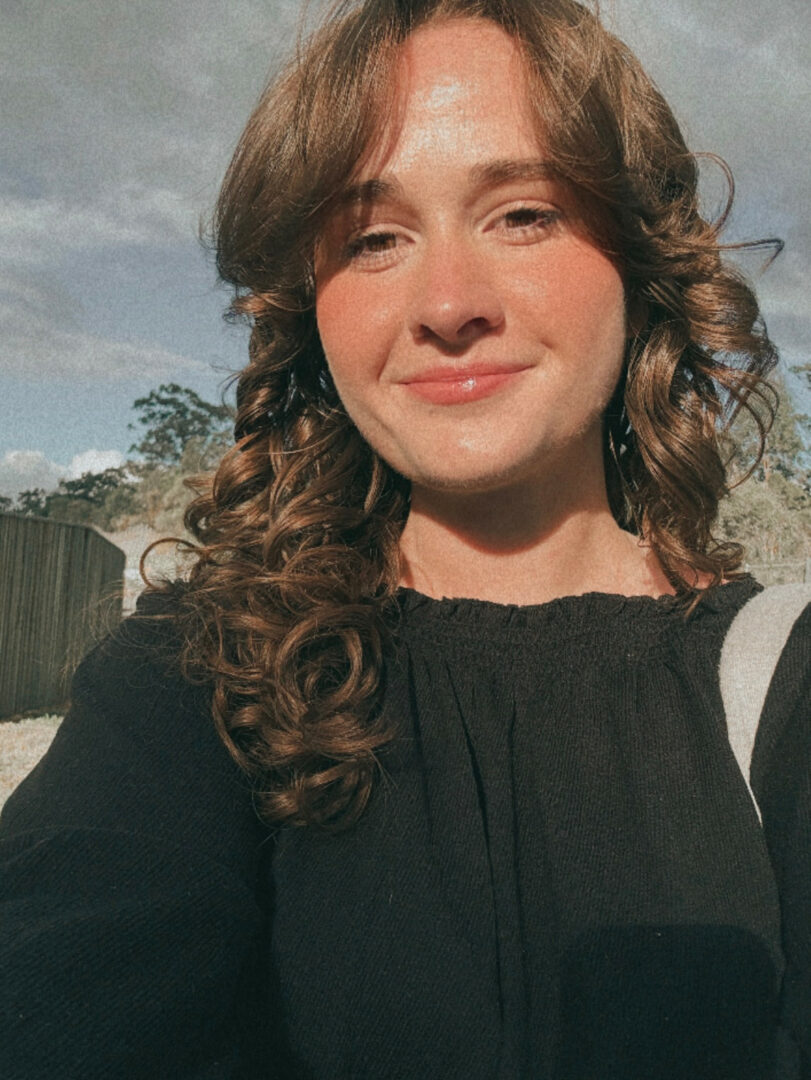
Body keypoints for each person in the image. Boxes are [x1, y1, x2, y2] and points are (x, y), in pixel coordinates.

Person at [1, 1, 808, 1077]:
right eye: (373, 238)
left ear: (639, 255)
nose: (447, 303)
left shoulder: (785, 686)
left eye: (523, 214)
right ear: (312, 309)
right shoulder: (195, 676)